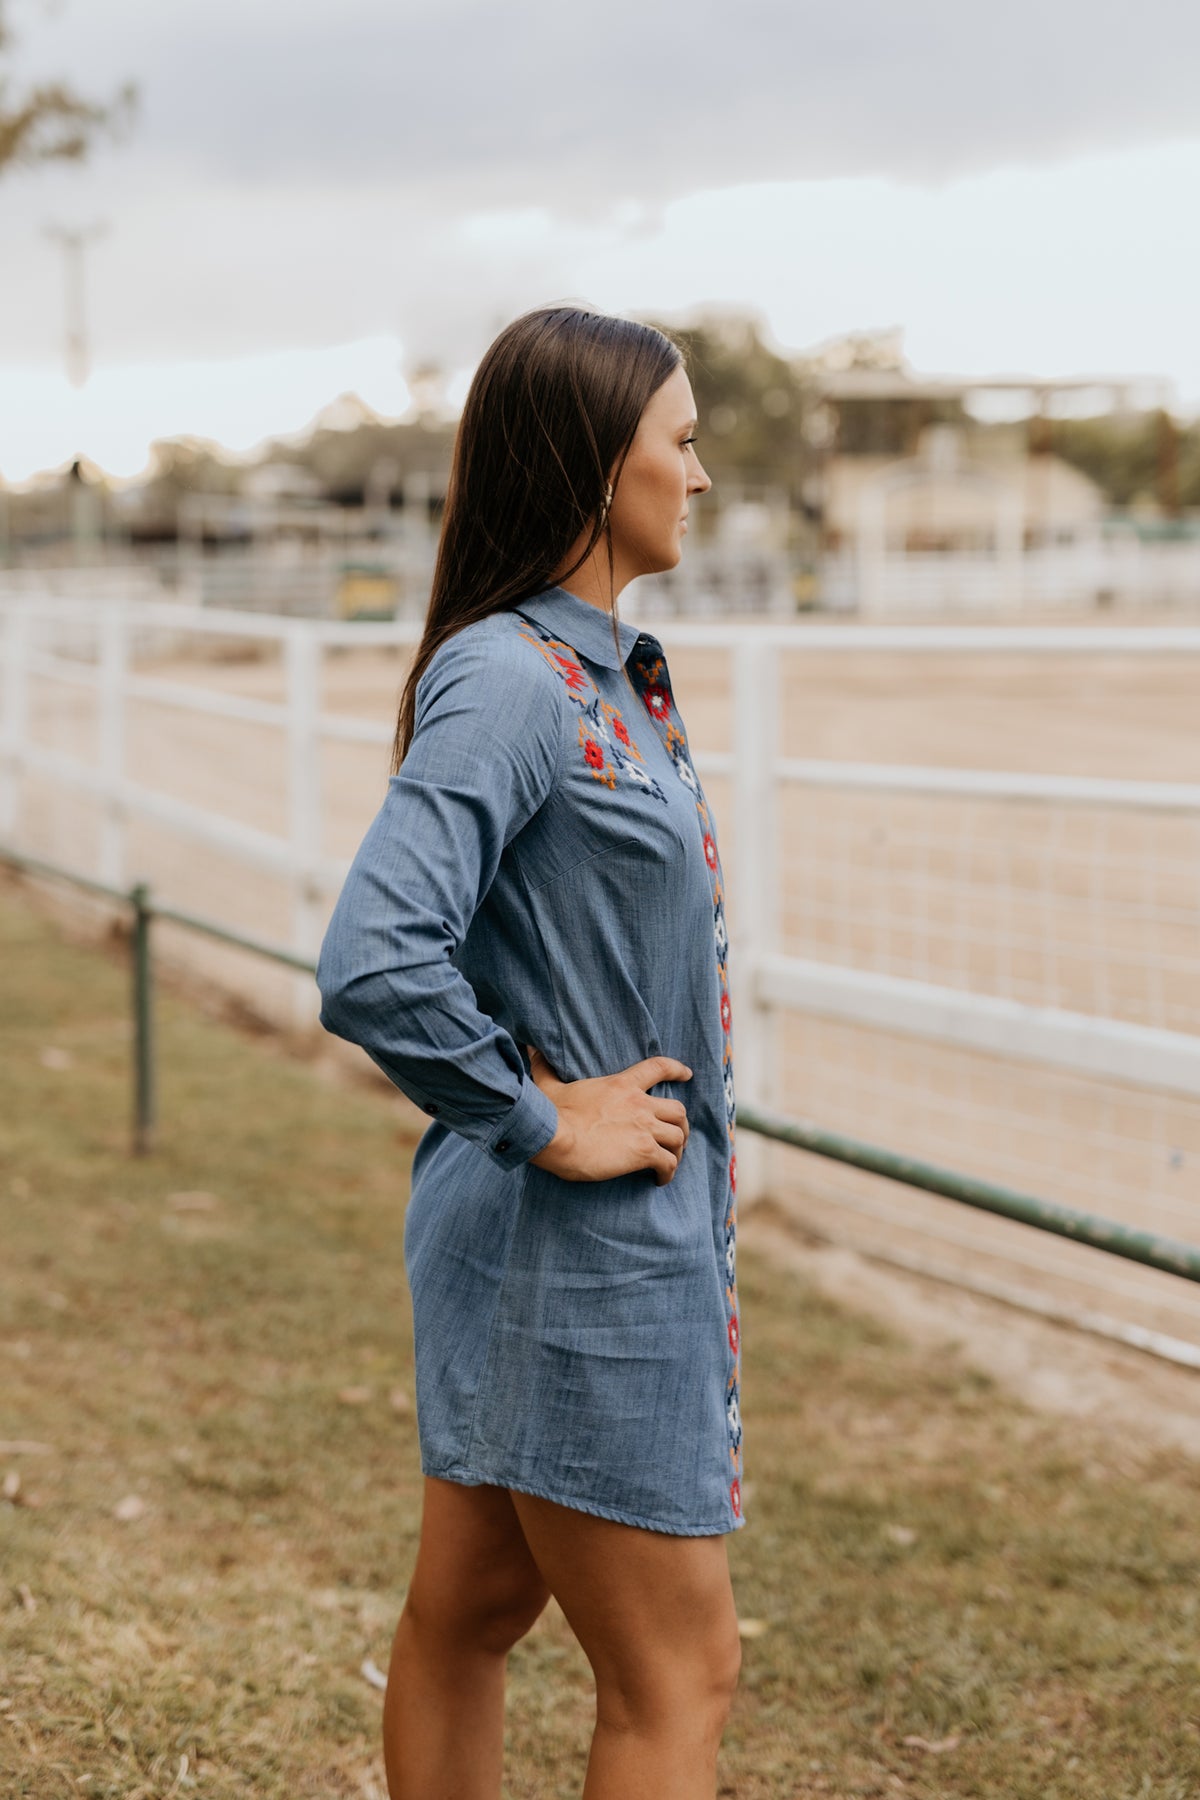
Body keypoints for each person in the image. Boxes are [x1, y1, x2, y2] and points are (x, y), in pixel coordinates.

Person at [316, 304, 744, 1800]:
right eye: (680, 443)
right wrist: (546, 1121)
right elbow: (376, 955)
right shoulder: (511, 679)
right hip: (579, 1241)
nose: (700, 476)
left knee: (473, 1612)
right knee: (680, 1674)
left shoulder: (605, 674)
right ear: (591, 464)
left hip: (551, 1237)